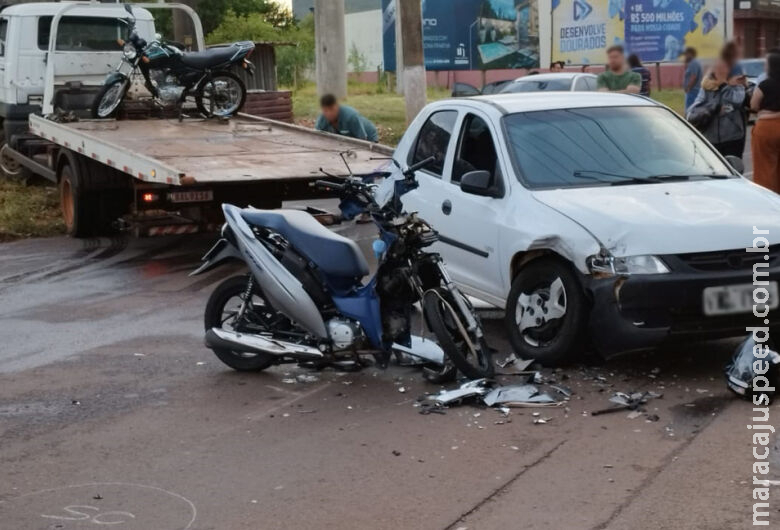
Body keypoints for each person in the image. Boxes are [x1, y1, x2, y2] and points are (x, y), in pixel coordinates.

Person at [686, 58, 747, 158]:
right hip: (710, 138)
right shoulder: (707, 86)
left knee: (733, 168)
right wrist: (715, 108)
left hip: (732, 138)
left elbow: (736, 101)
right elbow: (694, 108)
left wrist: (725, 85)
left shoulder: (737, 86)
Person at [750, 48, 780, 193]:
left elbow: (754, 105)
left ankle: (767, 196)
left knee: (765, 167)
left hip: (766, 127)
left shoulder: (764, 84)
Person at [683, 47, 702, 112]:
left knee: (689, 110)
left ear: (691, 54)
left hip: (693, 90)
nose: (685, 56)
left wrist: (688, 88)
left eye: (686, 54)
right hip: (692, 90)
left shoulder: (693, 63)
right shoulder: (692, 63)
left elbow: (694, 77)